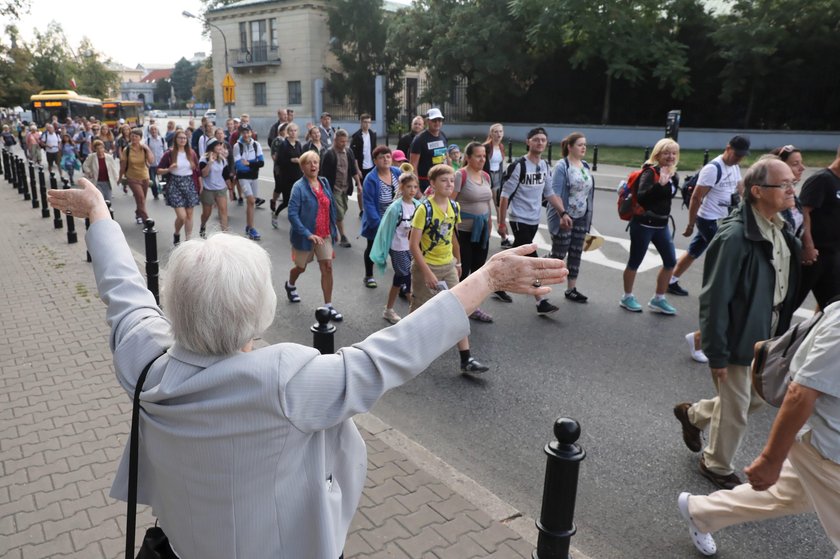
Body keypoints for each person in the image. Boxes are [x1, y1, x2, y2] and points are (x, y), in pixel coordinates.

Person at [47, 176, 566, 559]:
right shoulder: (287, 382)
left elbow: (125, 295)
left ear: (175, 307)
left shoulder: (148, 363)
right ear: (258, 311)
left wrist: (99, 215)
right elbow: (397, 350)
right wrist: (489, 276)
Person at [673, 157, 801, 490]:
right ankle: (715, 464)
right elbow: (714, 299)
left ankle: (695, 415)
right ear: (757, 191)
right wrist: (716, 353)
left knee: (756, 398)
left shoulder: (779, 226)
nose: (792, 188)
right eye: (784, 183)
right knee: (737, 407)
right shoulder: (734, 238)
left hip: (768, 335)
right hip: (738, 335)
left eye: (793, 182)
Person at [677, 298, 840, 558]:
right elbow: (800, 393)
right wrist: (769, 459)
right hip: (827, 448)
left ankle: (700, 512)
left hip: (825, 447)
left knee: (789, 494)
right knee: (735, 407)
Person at [410, 164, 489, 373]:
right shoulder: (424, 209)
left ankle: (466, 358)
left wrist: (459, 261)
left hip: (448, 265)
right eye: (444, 181)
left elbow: (454, 236)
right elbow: (412, 245)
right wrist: (427, 273)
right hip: (426, 267)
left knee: (458, 310)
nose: (449, 184)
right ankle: (406, 349)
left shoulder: (454, 207)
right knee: (418, 311)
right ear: (433, 184)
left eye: (452, 181)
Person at [497, 127, 568, 315]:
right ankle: (541, 301)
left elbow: (549, 193)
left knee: (516, 256)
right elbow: (504, 196)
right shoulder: (519, 166)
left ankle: (496, 280)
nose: (540, 143)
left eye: (543, 140)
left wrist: (563, 213)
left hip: (534, 219)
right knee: (532, 260)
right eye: (536, 139)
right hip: (519, 219)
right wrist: (502, 223)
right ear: (528, 142)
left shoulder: (544, 166)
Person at [668, 135, 751, 297]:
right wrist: (691, 224)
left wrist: (747, 206)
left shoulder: (734, 166)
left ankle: (670, 280)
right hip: (708, 219)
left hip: (723, 218)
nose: (739, 159)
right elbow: (696, 198)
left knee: (695, 250)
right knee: (723, 255)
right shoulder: (713, 169)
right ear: (728, 148)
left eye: (742, 156)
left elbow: (739, 187)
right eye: (737, 155)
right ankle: (717, 292)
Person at [619, 138, 680, 315]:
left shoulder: (673, 175)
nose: (670, 156)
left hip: (662, 225)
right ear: (658, 154)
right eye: (667, 152)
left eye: (674, 153)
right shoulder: (650, 172)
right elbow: (643, 198)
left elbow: (667, 199)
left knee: (670, 261)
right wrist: (659, 185)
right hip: (643, 224)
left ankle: (658, 299)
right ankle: (627, 296)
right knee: (635, 261)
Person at [285, 150, 343, 320]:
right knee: (300, 267)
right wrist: (307, 234)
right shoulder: (299, 187)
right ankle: (290, 284)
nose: (313, 165)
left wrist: (334, 229)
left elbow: (330, 207)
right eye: (309, 162)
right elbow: (292, 214)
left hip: (324, 235)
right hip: (305, 236)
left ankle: (328, 306)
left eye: (316, 162)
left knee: (327, 267)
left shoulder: (323, 182)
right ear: (302, 167)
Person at [546, 132, 595, 303]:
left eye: (585, 145)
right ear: (570, 147)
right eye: (580, 144)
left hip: (581, 217)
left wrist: (589, 218)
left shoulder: (585, 166)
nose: (584, 148)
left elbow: (588, 194)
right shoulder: (562, 167)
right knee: (558, 256)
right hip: (564, 217)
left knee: (576, 253)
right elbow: (555, 193)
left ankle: (571, 289)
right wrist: (562, 214)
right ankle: (536, 280)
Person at [370, 173, 421, 324]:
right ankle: (417, 315)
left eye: (415, 187)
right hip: (398, 247)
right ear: (401, 187)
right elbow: (384, 230)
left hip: (413, 248)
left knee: (399, 280)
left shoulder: (418, 206)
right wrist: (382, 252)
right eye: (408, 187)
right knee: (407, 279)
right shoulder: (395, 208)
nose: (412, 190)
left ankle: (388, 310)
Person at [453, 142, 494, 322]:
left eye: (484, 156)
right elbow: (450, 204)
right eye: (478, 156)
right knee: (464, 269)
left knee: (478, 269)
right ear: (468, 157)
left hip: (482, 230)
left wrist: (490, 222)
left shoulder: (485, 176)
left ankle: (473, 306)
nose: (482, 159)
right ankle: (460, 305)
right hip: (463, 231)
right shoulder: (460, 175)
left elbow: (487, 202)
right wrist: (451, 231)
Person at [797, 145, 840, 310]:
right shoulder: (821, 179)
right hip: (814, 255)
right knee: (790, 304)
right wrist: (808, 246)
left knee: (832, 307)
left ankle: (818, 334)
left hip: (832, 255)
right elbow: (803, 212)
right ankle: (774, 333)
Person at [361, 146, 401, 288]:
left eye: (388, 156)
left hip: (397, 220)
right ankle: (369, 275)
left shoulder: (397, 172)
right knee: (373, 247)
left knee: (398, 250)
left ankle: (402, 279)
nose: (385, 159)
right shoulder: (371, 179)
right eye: (381, 157)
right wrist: (380, 227)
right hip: (378, 220)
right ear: (375, 161)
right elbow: (369, 205)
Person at [320, 129, 361, 248]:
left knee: (343, 210)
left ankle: (330, 226)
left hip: (345, 188)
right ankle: (343, 236)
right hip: (334, 189)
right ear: (335, 140)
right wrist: (324, 191)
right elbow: (323, 175)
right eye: (341, 141)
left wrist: (359, 184)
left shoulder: (349, 152)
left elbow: (353, 169)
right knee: (339, 213)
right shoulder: (329, 154)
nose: (344, 144)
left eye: (345, 141)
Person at [158, 130, 201, 243]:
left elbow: (197, 170)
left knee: (190, 214)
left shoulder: (191, 153)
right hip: (175, 184)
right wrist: (168, 169)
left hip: (189, 183)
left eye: (184, 138)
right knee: (182, 216)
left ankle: (188, 240)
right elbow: (158, 170)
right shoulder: (169, 153)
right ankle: (177, 233)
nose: (182, 140)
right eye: (180, 138)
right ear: (175, 140)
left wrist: (200, 184)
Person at [232, 125, 265, 241]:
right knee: (251, 200)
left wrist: (249, 164)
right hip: (243, 178)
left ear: (251, 133)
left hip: (254, 177)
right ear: (241, 134)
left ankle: (248, 226)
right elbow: (239, 165)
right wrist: (253, 164)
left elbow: (262, 163)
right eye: (243, 133)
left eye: (248, 132)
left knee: (252, 203)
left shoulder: (256, 145)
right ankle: (252, 228)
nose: (246, 135)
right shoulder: (237, 146)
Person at [271, 123, 303, 229]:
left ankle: (297, 221)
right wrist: (291, 160)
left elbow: (302, 157)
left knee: (299, 200)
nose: (293, 133)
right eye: (291, 131)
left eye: (295, 131)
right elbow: (279, 160)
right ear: (287, 132)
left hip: (298, 176)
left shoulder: (298, 144)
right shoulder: (283, 145)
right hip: (286, 177)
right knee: (287, 201)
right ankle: (275, 215)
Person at [119, 129, 154, 225]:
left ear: (140, 138)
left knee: (142, 200)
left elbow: (151, 161)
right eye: (132, 136)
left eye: (136, 136)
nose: (134, 138)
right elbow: (123, 165)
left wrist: (147, 149)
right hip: (132, 177)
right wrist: (119, 177)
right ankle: (146, 220)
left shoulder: (144, 149)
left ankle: (138, 214)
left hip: (144, 177)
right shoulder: (127, 149)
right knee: (140, 197)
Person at [770, 145, 806, 239]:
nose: (802, 168)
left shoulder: (791, 194)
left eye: (801, 163)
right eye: (795, 164)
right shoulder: (773, 198)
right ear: (780, 166)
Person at [409, 108, 447, 192]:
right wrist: (417, 189)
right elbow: (413, 165)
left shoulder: (443, 136)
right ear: (427, 121)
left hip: (440, 181)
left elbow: (446, 157)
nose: (437, 123)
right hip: (424, 183)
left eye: (439, 120)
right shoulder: (419, 139)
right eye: (434, 120)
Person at [198, 138, 230, 237]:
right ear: (212, 147)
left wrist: (231, 189)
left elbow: (226, 175)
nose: (221, 147)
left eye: (221, 145)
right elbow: (203, 174)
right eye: (218, 145)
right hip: (208, 189)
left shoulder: (223, 159)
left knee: (223, 210)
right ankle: (203, 225)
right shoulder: (204, 159)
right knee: (207, 213)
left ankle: (225, 235)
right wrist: (210, 163)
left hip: (220, 188)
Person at [482, 123, 508, 243]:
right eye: (496, 132)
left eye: (500, 132)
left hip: (498, 176)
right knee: (487, 207)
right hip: (487, 176)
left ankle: (503, 235)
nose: (498, 134)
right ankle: (486, 234)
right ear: (491, 133)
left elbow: (500, 164)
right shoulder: (486, 147)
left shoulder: (501, 147)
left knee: (499, 206)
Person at [269, 122, 289, 213]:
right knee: (279, 187)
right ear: (280, 131)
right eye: (286, 130)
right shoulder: (278, 141)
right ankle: (273, 200)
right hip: (279, 169)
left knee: (288, 187)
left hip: (288, 169)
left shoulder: (288, 140)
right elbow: (275, 156)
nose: (288, 132)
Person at [146, 124, 167, 201]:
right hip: (152, 164)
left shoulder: (162, 139)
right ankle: (155, 194)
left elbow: (165, 150)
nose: (154, 131)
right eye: (152, 130)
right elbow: (145, 153)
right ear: (150, 131)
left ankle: (165, 194)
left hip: (161, 164)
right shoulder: (147, 140)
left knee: (163, 180)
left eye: (155, 129)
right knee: (153, 181)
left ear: (157, 131)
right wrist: (147, 162)